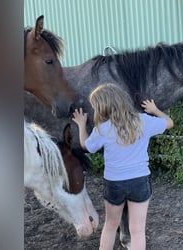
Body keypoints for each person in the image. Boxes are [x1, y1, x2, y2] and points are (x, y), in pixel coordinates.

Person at [71, 83, 174, 250]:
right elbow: (169, 123)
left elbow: (87, 146)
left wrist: (81, 124)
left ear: (102, 107)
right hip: (140, 181)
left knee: (110, 225)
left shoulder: (102, 129)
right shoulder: (144, 121)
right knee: (138, 230)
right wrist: (154, 110)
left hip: (114, 183)